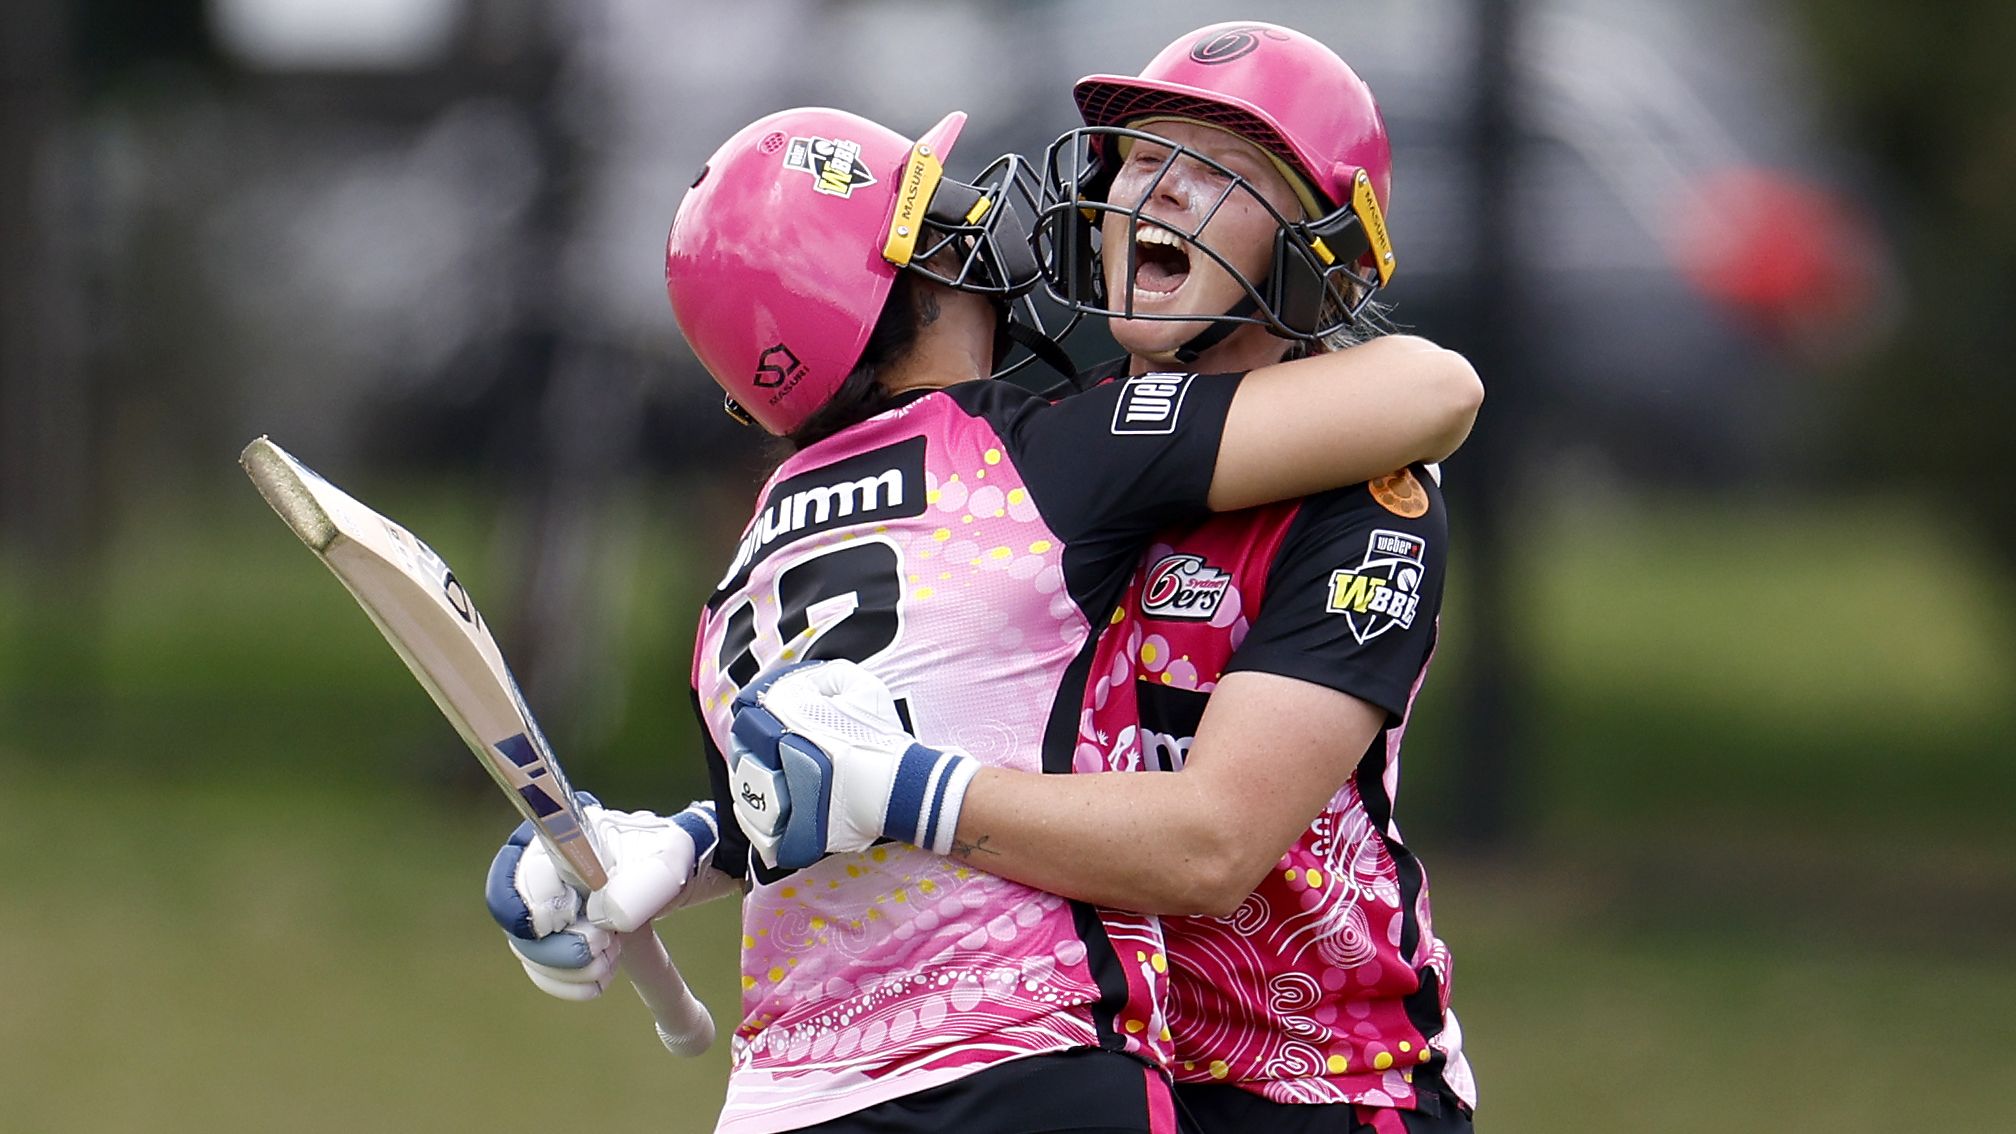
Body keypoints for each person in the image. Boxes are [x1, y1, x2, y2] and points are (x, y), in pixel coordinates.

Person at [485, 100, 1481, 1134]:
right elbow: (853, 766)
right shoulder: (1050, 458)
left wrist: (790, 812)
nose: (1160, 188)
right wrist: (683, 844)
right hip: (1069, 1055)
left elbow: (1191, 839)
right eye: (1141, 160)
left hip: (1316, 1084)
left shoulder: (757, 556)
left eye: (1223, 169)